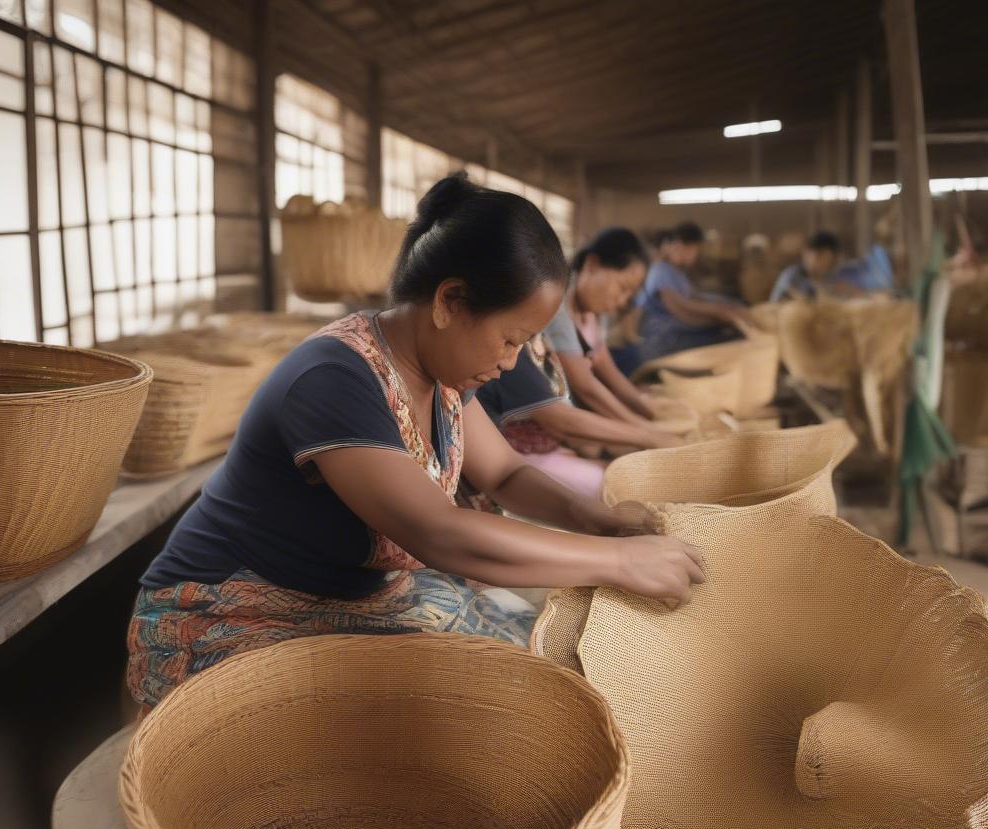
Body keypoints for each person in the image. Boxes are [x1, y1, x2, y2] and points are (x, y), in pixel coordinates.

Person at [126, 173, 704, 708]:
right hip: (234, 613)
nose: (509, 363)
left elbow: (505, 474)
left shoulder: (443, 375)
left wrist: (597, 520)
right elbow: (441, 533)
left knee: (542, 655)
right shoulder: (333, 377)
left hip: (347, 593)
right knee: (487, 705)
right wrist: (619, 560)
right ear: (450, 302)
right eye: (509, 341)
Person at [547, 228, 697, 431]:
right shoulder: (558, 308)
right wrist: (645, 429)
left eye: (630, 293)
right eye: (622, 287)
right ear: (592, 265)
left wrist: (648, 410)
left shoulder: (593, 314)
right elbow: (586, 388)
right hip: (555, 417)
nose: (622, 300)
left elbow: (610, 372)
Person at [615, 221, 750, 374]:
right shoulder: (661, 270)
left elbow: (695, 296)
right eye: (694, 250)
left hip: (673, 332)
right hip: (660, 339)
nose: (695, 255)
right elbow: (681, 309)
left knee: (726, 332)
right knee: (728, 339)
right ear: (681, 245)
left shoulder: (675, 272)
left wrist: (728, 305)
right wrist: (719, 315)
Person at [770, 231, 861, 301]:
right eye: (815, 255)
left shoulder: (833, 278)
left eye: (822, 255)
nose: (812, 259)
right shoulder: (792, 276)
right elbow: (776, 306)